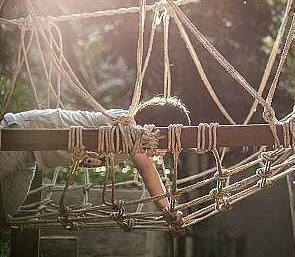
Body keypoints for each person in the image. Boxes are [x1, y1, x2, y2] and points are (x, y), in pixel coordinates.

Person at [0, 96, 190, 235]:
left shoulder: (130, 147)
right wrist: (169, 211)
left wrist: (169, 214)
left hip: (30, 158)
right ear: (153, 128)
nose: (163, 153)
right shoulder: (123, 122)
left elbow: (149, 172)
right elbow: (148, 173)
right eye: (165, 144)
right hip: (20, 134)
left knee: (7, 210)